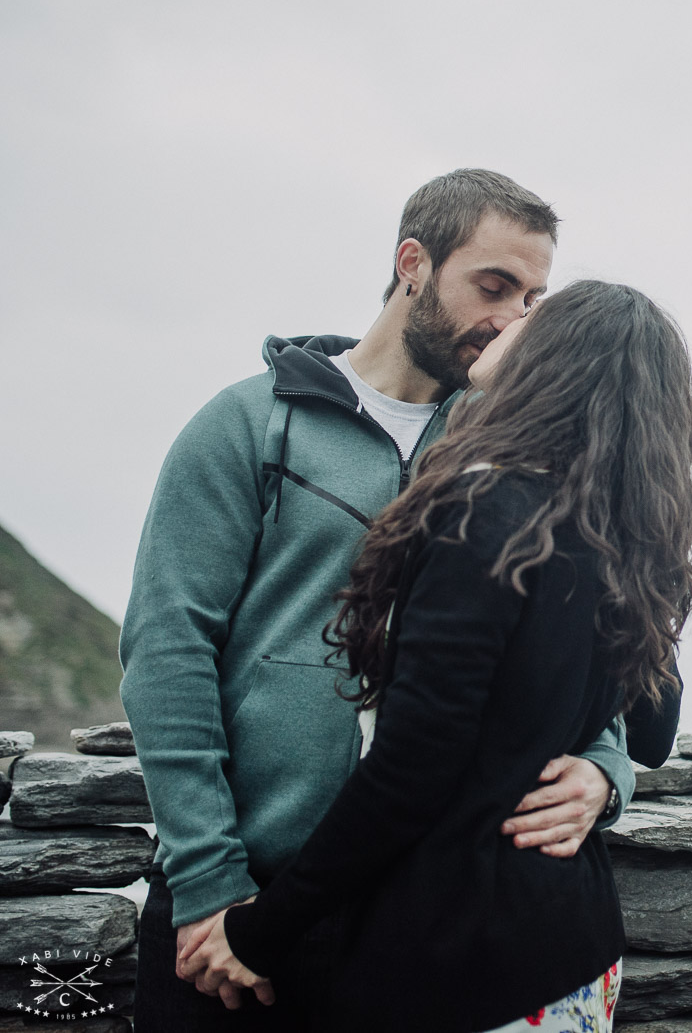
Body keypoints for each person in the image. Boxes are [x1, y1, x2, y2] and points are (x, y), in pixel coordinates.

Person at [120, 170, 655, 1028]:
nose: (513, 316)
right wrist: (210, 880)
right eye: (494, 285)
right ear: (414, 262)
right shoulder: (247, 424)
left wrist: (605, 766)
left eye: (532, 297)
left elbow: (582, 643)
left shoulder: (511, 454)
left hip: (409, 917)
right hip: (233, 899)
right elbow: (167, 653)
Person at [180, 280, 692, 1033]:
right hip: (576, 956)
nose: (512, 318)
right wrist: (604, 760)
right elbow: (654, 729)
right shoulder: (615, 536)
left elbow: (412, 768)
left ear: (553, 359)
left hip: (468, 961)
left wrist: (257, 931)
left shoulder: (484, 508)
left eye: (537, 313)